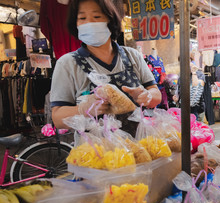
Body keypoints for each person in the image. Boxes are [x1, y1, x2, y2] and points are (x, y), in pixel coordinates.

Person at [50, 0, 161, 135]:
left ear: (110, 20)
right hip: (95, 152)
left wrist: (147, 96)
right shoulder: (67, 63)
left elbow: (156, 95)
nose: (89, 23)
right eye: (82, 18)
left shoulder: (132, 56)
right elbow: (57, 118)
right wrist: (83, 109)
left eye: (96, 17)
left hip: (139, 148)